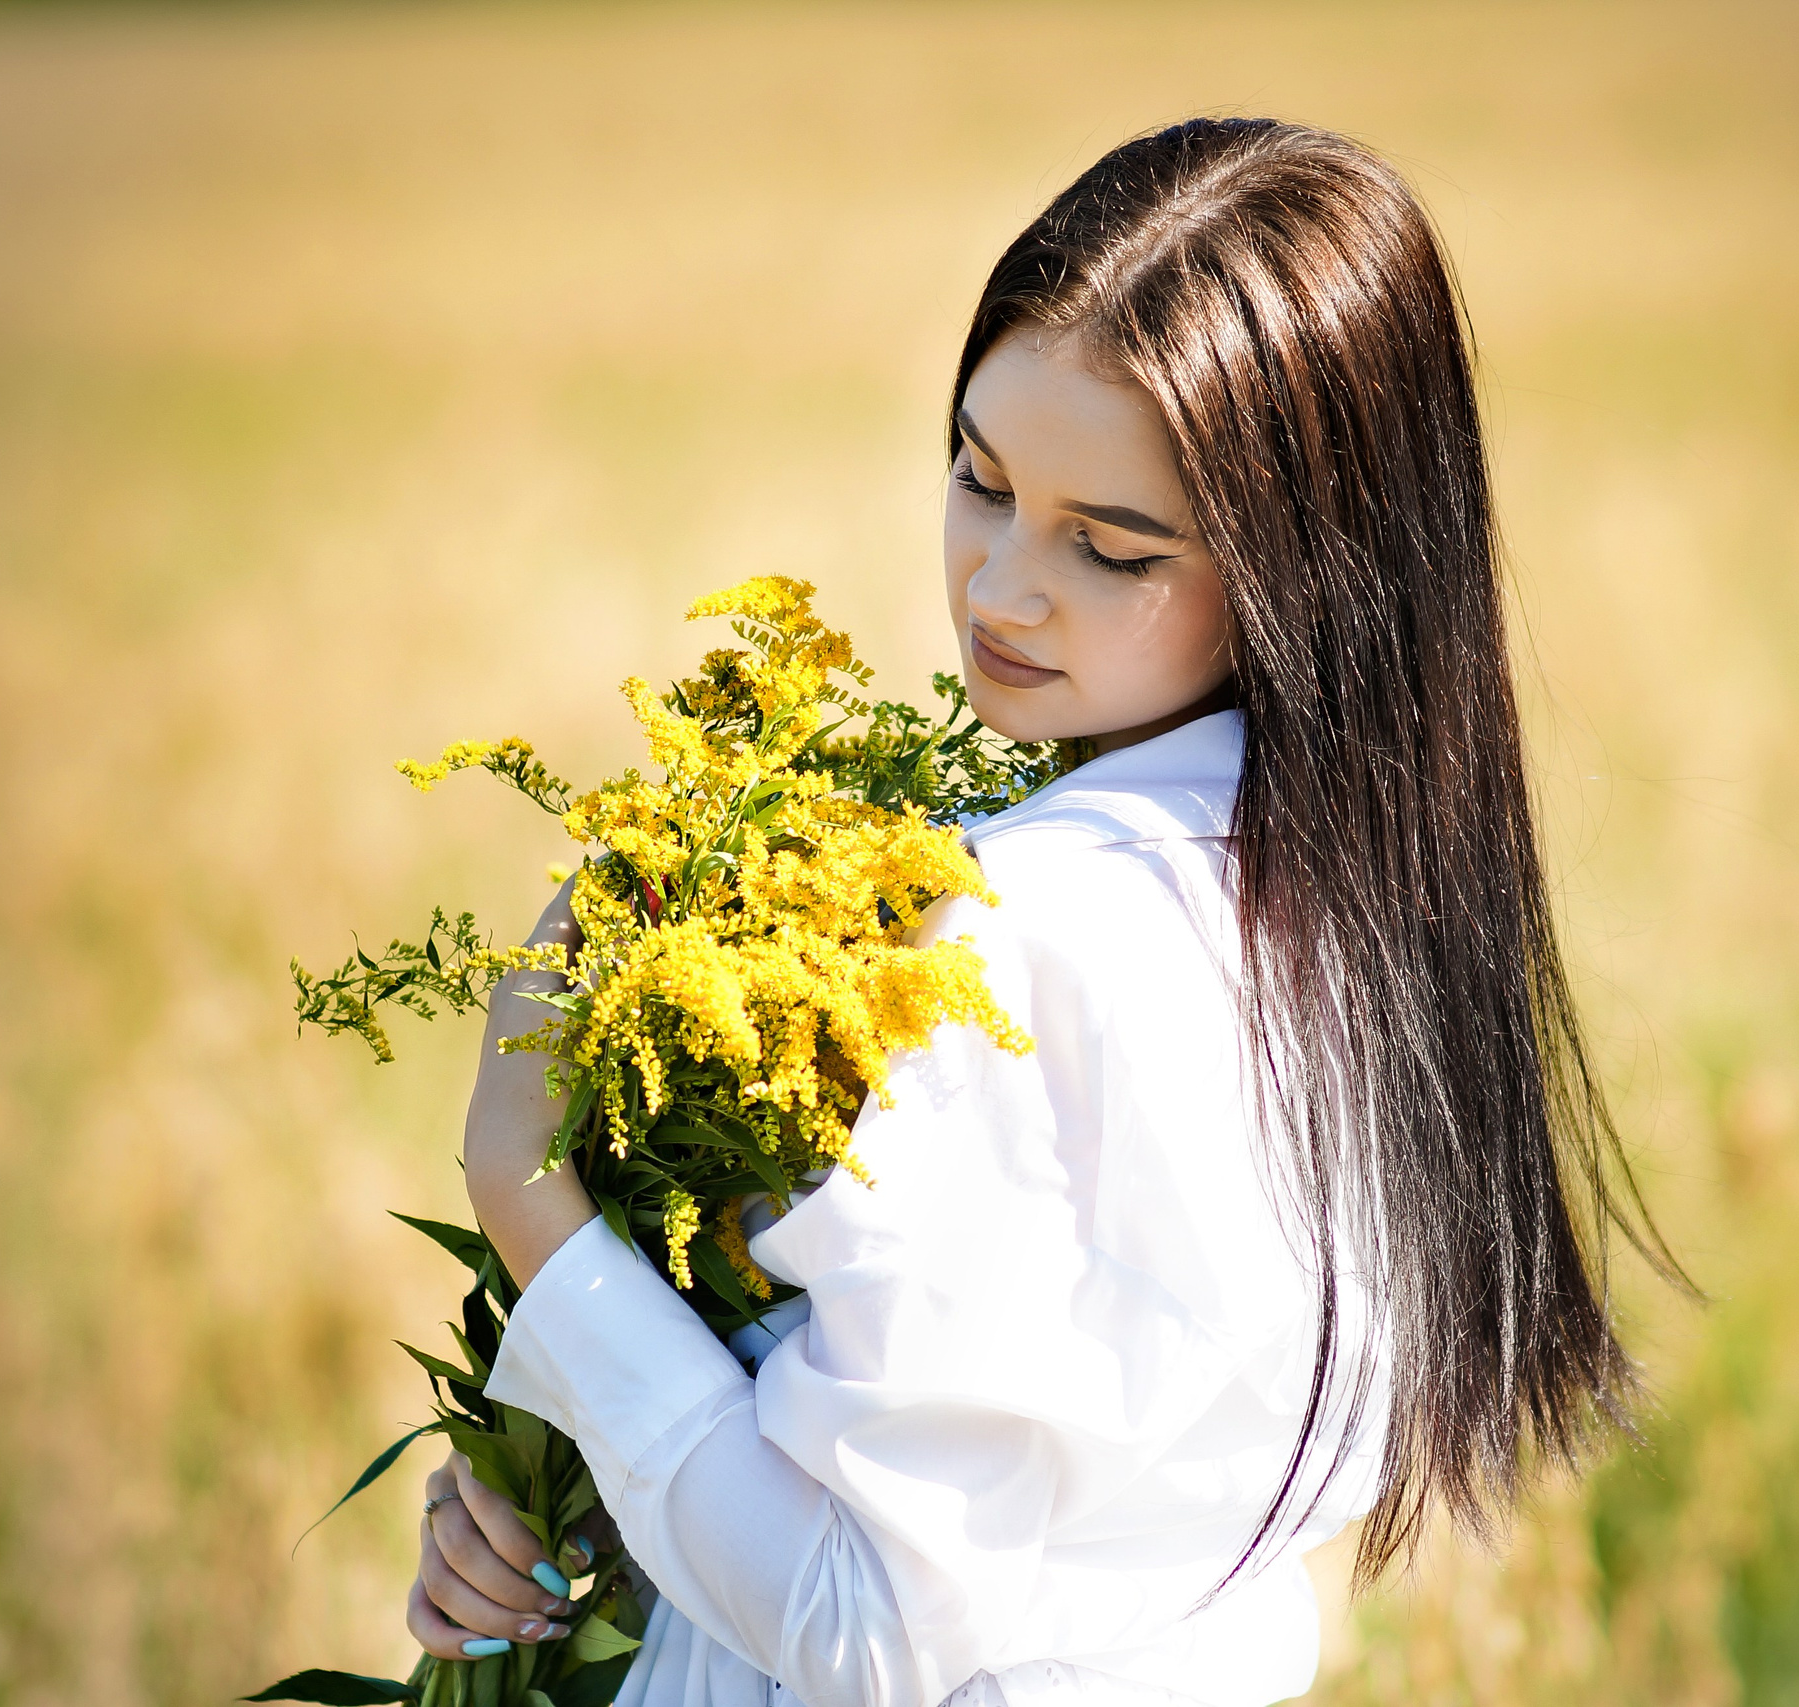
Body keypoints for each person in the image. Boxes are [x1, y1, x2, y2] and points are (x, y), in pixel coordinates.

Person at [403, 116, 1675, 1707]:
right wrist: (577, 1468)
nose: (1003, 587)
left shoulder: (1012, 934)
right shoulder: (1366, 921)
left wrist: (530, 1199)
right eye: (981, 479)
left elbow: (867, 1630)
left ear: (1312, 571)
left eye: (1111, 547)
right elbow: (996, 1472)